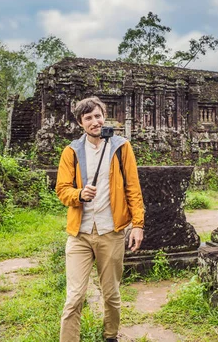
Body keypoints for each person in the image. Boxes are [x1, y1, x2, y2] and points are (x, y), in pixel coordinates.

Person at [55, 96, 145, 342]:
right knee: (74, 296)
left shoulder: (121, 147)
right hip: (79, 234)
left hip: (111, 232)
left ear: (104, 116)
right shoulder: (71, 151)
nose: (95, 121)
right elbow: (62, 189)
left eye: (98, 116)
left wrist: (137, 224)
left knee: (111, 294)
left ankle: (110, 336)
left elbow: (133, 188)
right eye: (88, 118)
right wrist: (79, 194)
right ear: (80, 123)